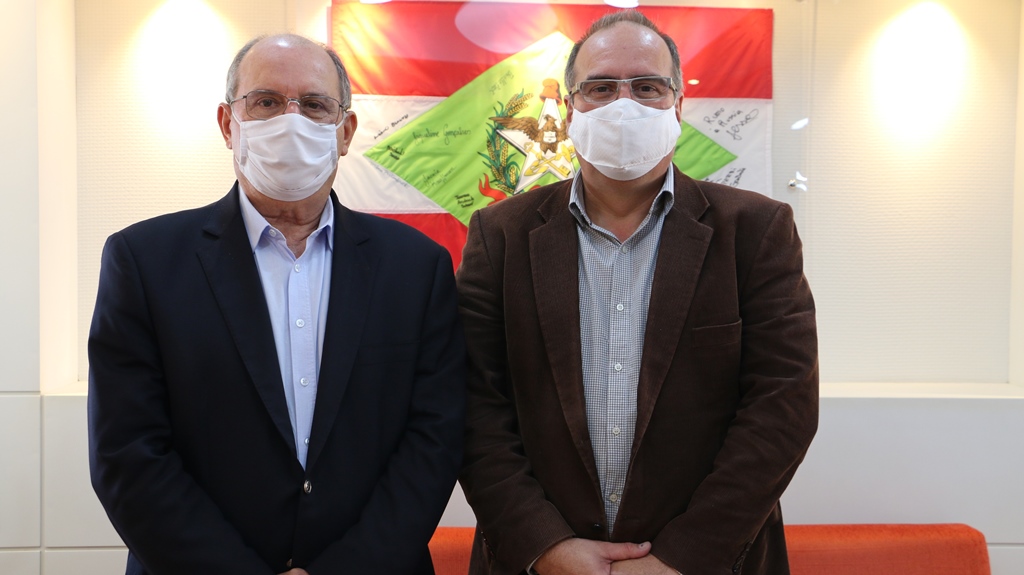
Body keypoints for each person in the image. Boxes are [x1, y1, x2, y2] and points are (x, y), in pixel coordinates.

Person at [88, 34, 465, 575]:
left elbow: (433, 442)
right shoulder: (143, 261)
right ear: (228, 124)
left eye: (314, 104)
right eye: (266, 101)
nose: (291, 121)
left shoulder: (417, 267)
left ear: (345, 132)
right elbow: (127, 454)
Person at [456, 11, 818, 575]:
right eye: (600, 88)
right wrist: (545, 546)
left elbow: (783, 407)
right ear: (570, 109)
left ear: (678, 105)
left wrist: (681, 558)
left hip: (710, 563)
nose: (623, 104)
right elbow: (473, 405)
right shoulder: (500, 234)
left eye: (647, 87)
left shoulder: (756, 230)